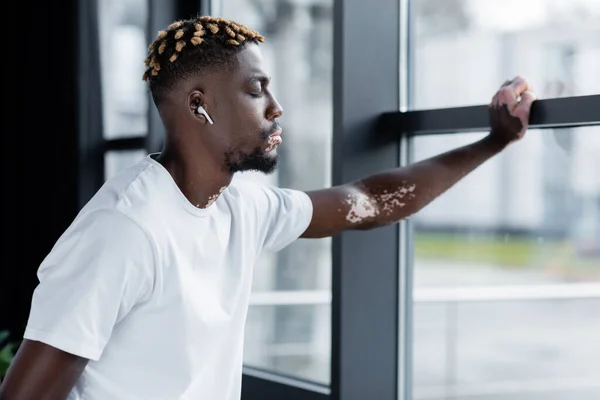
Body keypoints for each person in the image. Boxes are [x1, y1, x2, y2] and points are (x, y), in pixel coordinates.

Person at [0, 15, 537, 400]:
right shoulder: (124, 230)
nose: (277, 108)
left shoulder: (241, 206)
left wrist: (492, 143)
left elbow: (370, 201)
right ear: (199, 105)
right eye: (257, 90)